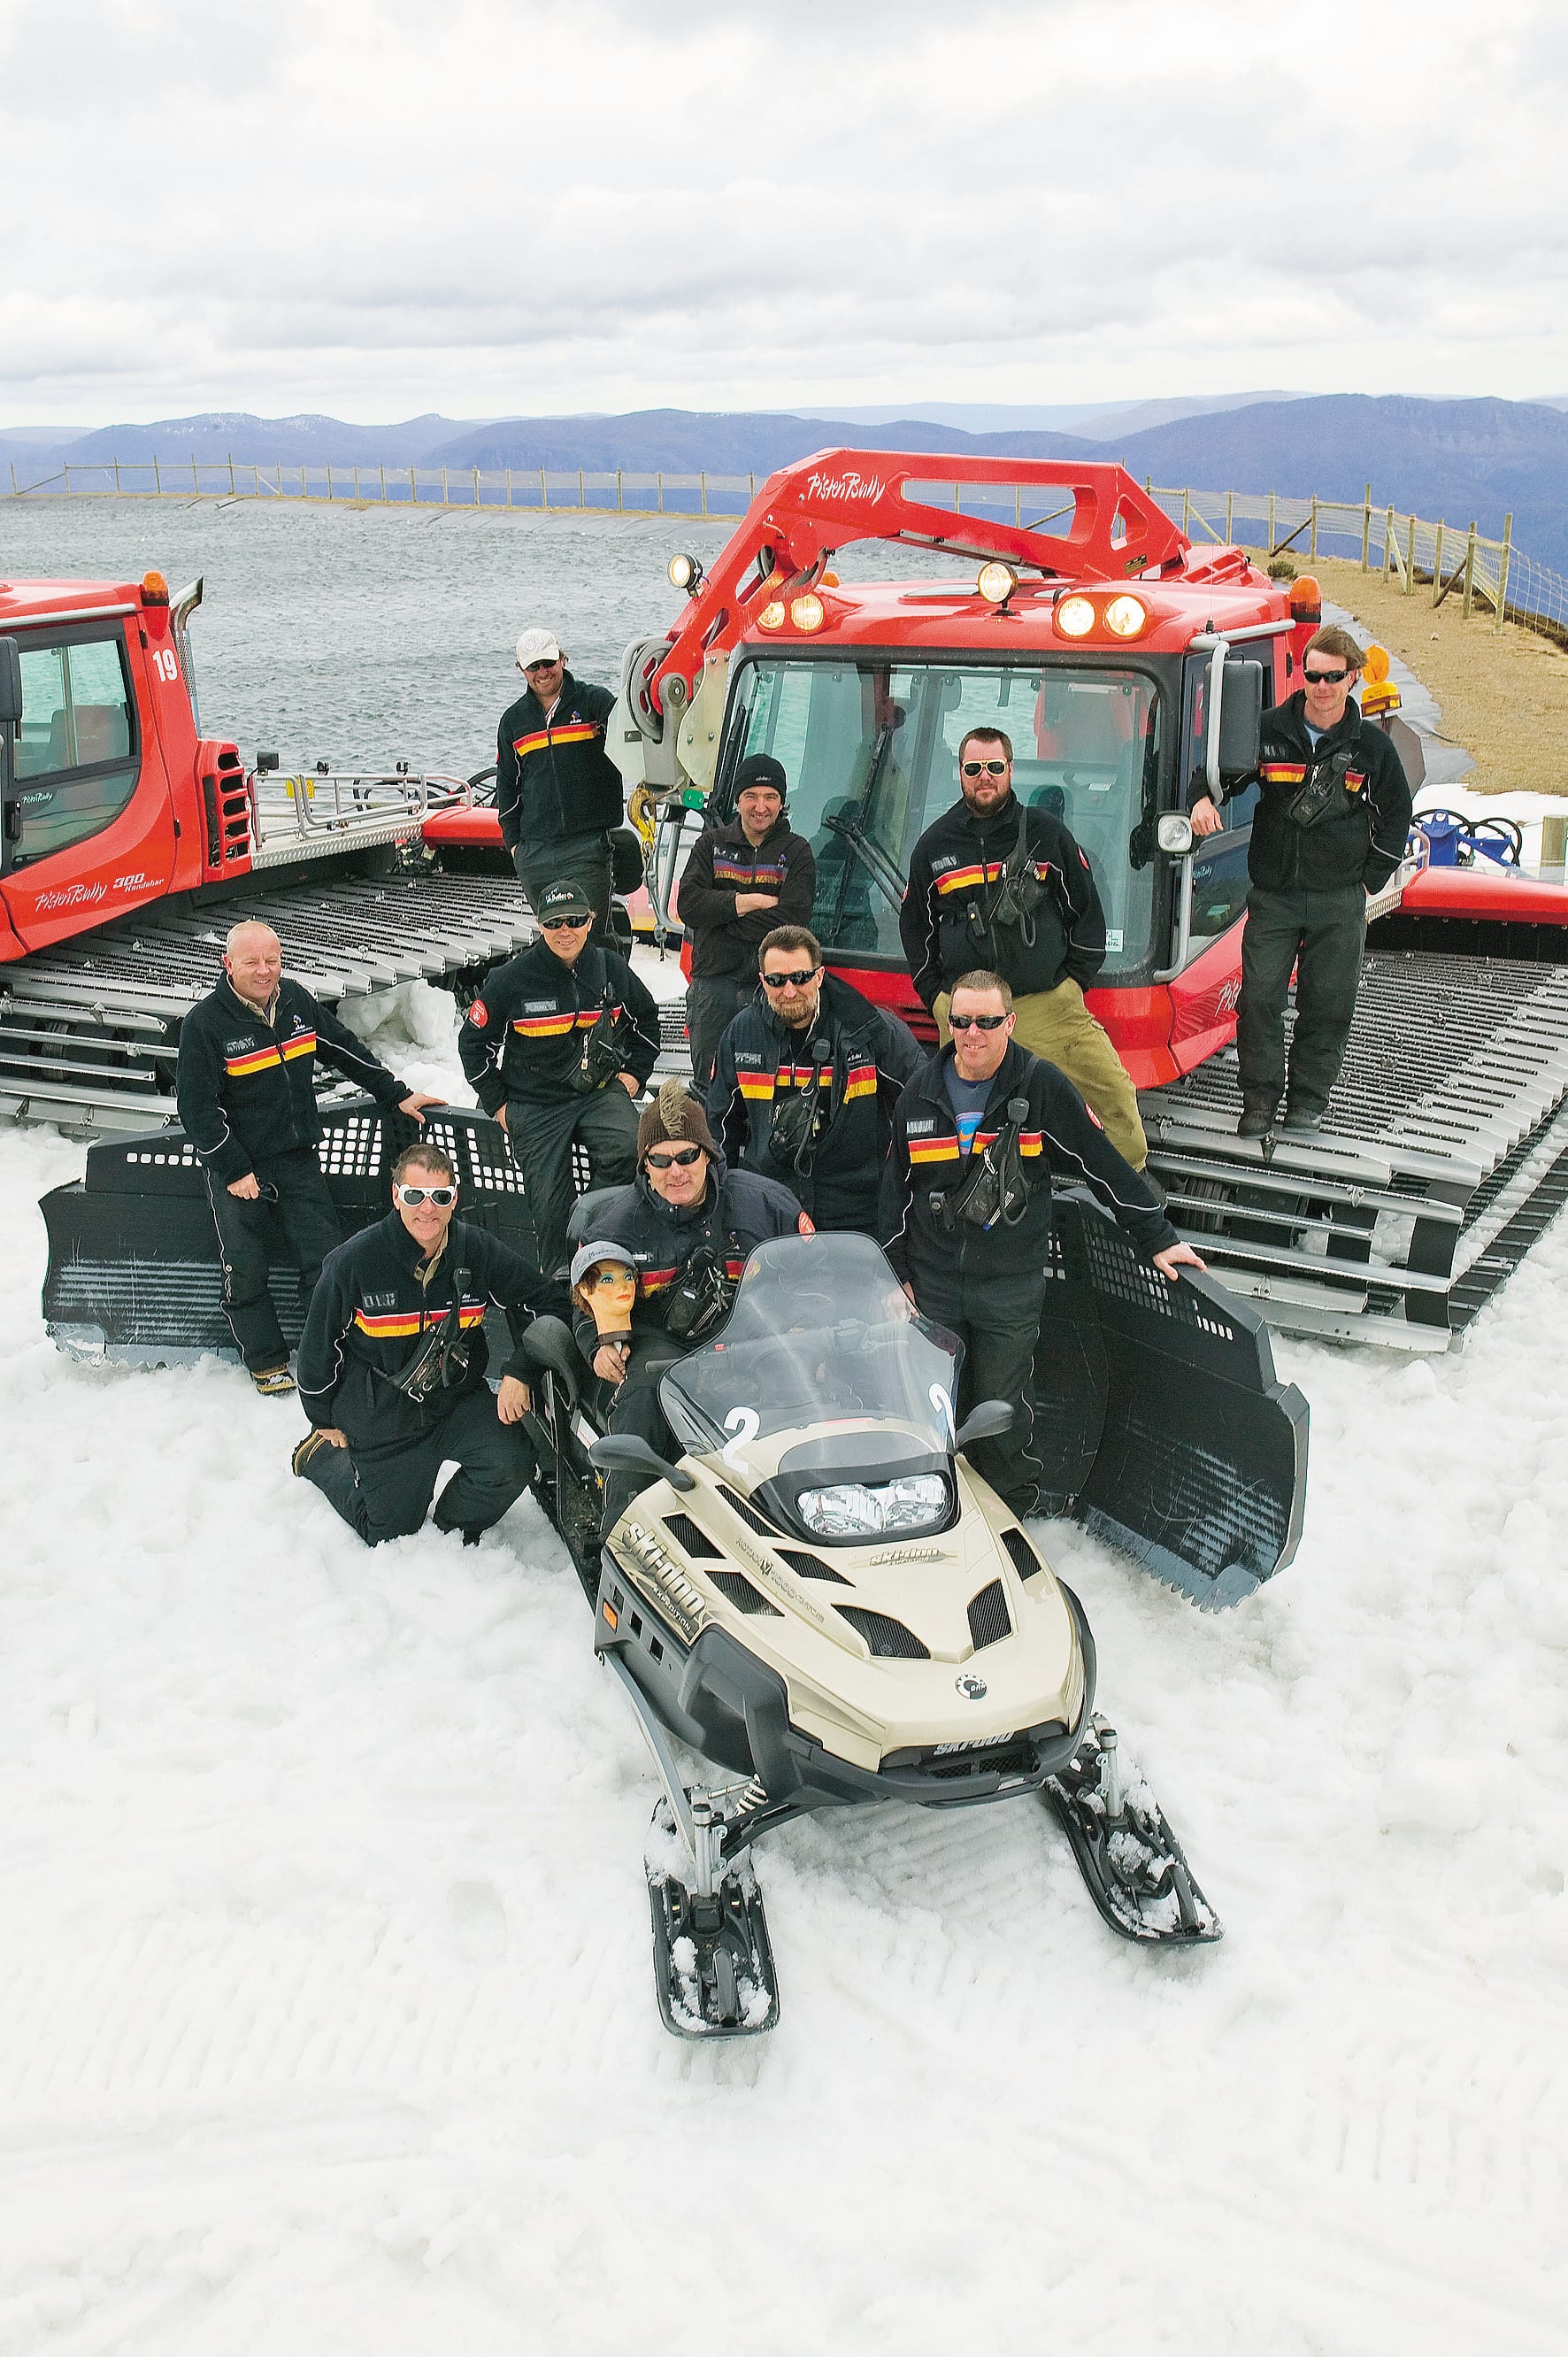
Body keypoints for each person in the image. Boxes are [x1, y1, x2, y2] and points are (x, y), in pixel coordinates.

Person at [880, 970, 1203, 1516]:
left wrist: (1157, 1237)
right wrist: (896, 1273)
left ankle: (1008, 1518)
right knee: (931, 1408)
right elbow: (895, 1195)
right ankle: (934, 1516)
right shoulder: (918, 1093)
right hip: (933, 1286)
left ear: (1010, 1022)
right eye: (961, 1021)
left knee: (1001, 1410)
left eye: (986, 1021)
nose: (973, 1034)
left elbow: (1103, 1165)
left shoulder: (1041, 1086)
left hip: (1007, 1287)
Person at [175, 919, 443, 1397]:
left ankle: (327, 1352)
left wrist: (395, 1093)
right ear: (228, 964)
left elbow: (345, 1049)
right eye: (252, 962)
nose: (264, 971)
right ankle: (266, 1359)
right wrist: (234, 1168)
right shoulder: (206, 1025)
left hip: (294, 1156)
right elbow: (197, 1108)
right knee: (246, 1264)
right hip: (238, 1164)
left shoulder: (295, 1002)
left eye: (272, 961)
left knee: (326, 1260)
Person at [1190, 624, 1413, 1136]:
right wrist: (1199, 798)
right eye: (1313, 675)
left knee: (1328, 1003)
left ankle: (1309, 1101)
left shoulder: (1373, 749)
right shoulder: (1265, 730)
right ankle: (1260, 1101)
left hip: (1339, 900)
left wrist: (1371, 878)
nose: (1322, 686)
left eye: (1333, 676)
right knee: (1260, 998)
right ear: (1303, 674)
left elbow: (1396, 812)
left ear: (1353, 678)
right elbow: (1216, 775)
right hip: (1273, 896)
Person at [900, 726, 1149, 1169]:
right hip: (969, 1018)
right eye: (973, 768)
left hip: (1050, 1007)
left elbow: (1087, 912)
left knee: (1114, 1095)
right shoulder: (933, 847)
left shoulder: (1047, 835)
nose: (984, 777)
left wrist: (1073, 984)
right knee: (964, 1120)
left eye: (994, 767)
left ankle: (1132, 1184)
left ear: (1010, 770)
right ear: (959, 773)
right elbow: (916, 928)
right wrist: (937, 999)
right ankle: (969, 1192)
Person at [568, 1081, 811, 1527]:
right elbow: (585, 1307)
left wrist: (809, 1328)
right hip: (663, 1352)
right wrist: (598, 1345)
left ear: (709, 1155)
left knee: (808, 1389)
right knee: (641, 1396)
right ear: (644, 1164)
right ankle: (623, 1531)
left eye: (686, 1156)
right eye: (659, 1159)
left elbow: (811, 1275)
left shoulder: (766, 1206)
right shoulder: (613, 1229)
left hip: (751, 1342)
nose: (674, 1171)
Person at [292, 1139, 556, 1546]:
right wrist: (322, 1417)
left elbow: (546, 1300)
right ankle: (321, 1459)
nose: (427, 1208)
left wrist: (520, 1369)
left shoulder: (477, 1250)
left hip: (455, 1401)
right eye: (415, 1195)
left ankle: (451, 1524)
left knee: (513, 1461)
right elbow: (318, 1346)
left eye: (440, 1196)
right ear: (396, 1196)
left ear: (455, 1198)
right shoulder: (355, 1261)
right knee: (389, 1536)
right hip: (383, 1413)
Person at [458, 879, 661, 1278]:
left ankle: (601, 1240)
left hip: (598, 1093)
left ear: (590, 921)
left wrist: (634, 1075)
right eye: (554, 924)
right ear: (539, 925)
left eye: (574, 921)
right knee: (550, 1210)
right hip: (534, 1106)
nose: (565, 932)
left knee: (635, 1151)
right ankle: (560, 1288)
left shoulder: (609, 968)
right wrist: (498, 1104)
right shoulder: (510, 979)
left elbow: (647, 1021)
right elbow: (473, 1045)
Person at [709, 923, 924, 1235]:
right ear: (762, 982)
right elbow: (719, 1127)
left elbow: (922, 1106)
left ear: (819, 976)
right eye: (776, 980)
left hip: (856, 1208)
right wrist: (723, 1207)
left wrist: (901, 1194)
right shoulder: (741, 1035)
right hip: (769, 1203)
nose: (790, 990)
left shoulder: (870, 1030)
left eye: (800, 977)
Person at [677, 753, 816, 1082]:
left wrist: (721, 919)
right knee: (710, 1088)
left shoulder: (797, 852)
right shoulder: (709, 846)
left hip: (775, 989)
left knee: (770, 1085)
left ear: (782, 802)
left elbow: (793, 920)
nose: (761, 806)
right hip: (713, 988)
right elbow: (688, 906)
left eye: (771, 797)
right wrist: (745, 902)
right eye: (751, 796)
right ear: (738, 800)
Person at [496, 628, 623, 938]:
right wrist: (515, 846)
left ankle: (608, 987)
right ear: (521, 669)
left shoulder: (595, 702)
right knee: (553, 940)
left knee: (592, 939)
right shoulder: (513, 722)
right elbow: (507, 787)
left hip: (587, 846)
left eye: (548, 662)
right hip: (535, 852)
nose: (543, 672)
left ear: (562, 659)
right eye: (533, 666)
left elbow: (634, 734)